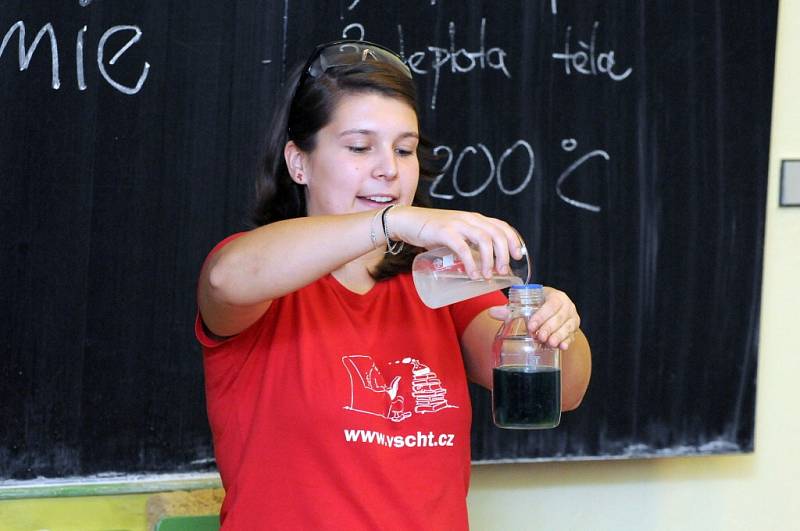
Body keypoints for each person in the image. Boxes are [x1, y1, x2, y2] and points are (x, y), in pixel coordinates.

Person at [195, 39, 591, 530]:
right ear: (299, 163)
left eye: (404, 149)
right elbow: (225, 279)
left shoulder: (440, 282)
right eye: (360, 147)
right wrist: (392, 222)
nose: (388, 168)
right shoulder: (262, 275)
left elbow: (565, 392)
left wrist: (555, 324)